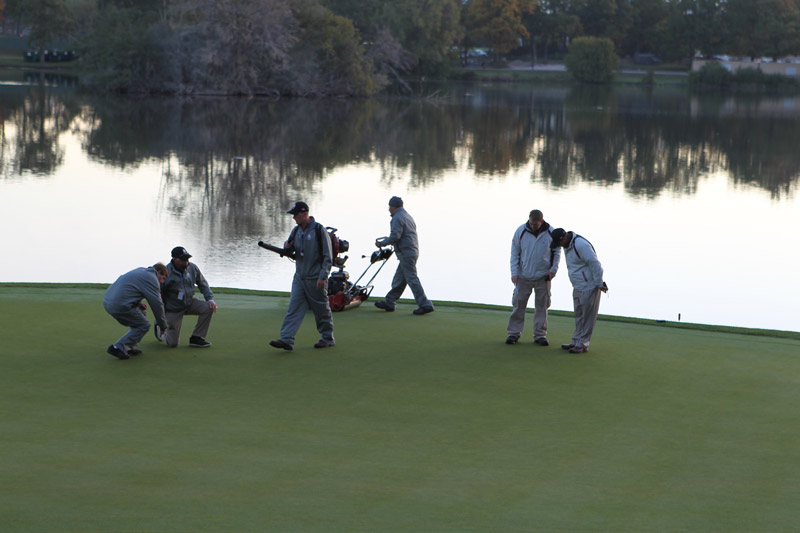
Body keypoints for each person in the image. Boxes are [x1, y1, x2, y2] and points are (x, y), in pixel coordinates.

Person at [269, 201, 335, 351]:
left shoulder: (320, 231)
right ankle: (286, 339)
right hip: (299, 277)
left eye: (296, 215)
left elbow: (327, 257)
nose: (294, 218)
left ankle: (327, 338)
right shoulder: (296, 231)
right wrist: (287, 247)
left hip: (315, 278)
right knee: (294, 308)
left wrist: (323, 276)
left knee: (321, 310)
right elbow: (292, 249)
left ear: (305, 214)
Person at [506, 209, 561, 346]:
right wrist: (514, 272)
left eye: (535, 224)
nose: (532, 226)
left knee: (542, 306)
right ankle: (513, 333)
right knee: (518, 305)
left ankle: (540, 335)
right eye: (531, 223)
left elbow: (557, 251)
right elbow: (514, 253)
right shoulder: (521, 231)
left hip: (543, 277)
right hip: (523, 276)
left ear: (541, 221)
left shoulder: (550, 232)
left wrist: (553, 270)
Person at [373, 196, 434, 315]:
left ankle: (425, 304)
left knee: (412, 279)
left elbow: (395, 236)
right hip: (411, 252)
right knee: (400, 279)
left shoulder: (397, 218)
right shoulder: (407, 216)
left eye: (389, 207)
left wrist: (382, 243)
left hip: (406, 253)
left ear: (393, 206)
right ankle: (390, 302)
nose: (388, 209)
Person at [550, 228, 608, 354]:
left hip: (589, 286)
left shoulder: (581, 245)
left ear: (564, 239)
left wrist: (598, 283)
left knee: (587, 317)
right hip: (577, 285)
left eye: (559, 243)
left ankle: (583, 344)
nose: (559, 246)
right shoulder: (567, 245)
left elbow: (596, 265)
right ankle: (576, 341)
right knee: (579, 315)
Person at [103, 263, 169, 360]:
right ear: (158, 272)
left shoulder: (141, 270)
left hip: (108, 301)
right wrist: (162, 325)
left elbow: (131, 288)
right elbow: (157, 305)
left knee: (142, 312)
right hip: (119, 305)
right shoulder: (152, 279)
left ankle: (130, 347)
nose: (162, 282)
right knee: (144, 325)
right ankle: (118, 347)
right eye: (163, 278)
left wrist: (138, 303)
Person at [161, 246, 217, 348]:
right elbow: (159, 293)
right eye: (183, 259)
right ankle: (161, 331)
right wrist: (162, 312)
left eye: (187, 258)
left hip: (189, 303)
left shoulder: (192, 268)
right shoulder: (166, 271)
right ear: (175, 259)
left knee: (209, 307)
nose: (186, 261)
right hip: (173, 309)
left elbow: (203, 284)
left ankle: (196, 338)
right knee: (173, 344)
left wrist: (210, 299)